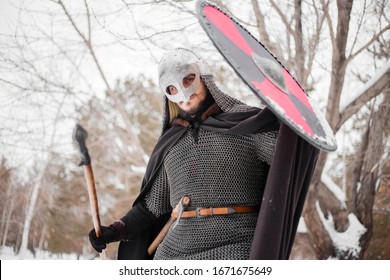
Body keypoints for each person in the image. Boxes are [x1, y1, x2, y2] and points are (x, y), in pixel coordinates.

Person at [89, 48, 319, 260]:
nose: (183, 93)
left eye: (188, 79)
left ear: (204, 78)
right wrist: (115, 230)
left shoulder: (247, 125)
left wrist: (287, 102)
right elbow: (151, 208)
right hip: (174, 250)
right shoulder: (172, 142)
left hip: (236, 243)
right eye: (172, 88)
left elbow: (289, 154)